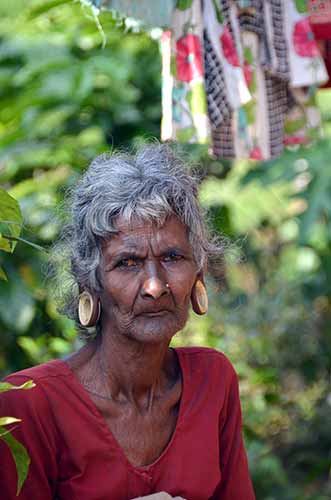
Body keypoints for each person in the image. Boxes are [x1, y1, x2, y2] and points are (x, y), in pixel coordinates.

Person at [0, 144, 255, 500]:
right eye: (128, 263)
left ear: (199, 271)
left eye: (172, 256)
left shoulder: (213, 380)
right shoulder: (30, 405)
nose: (154, 286)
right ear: (91, 282)